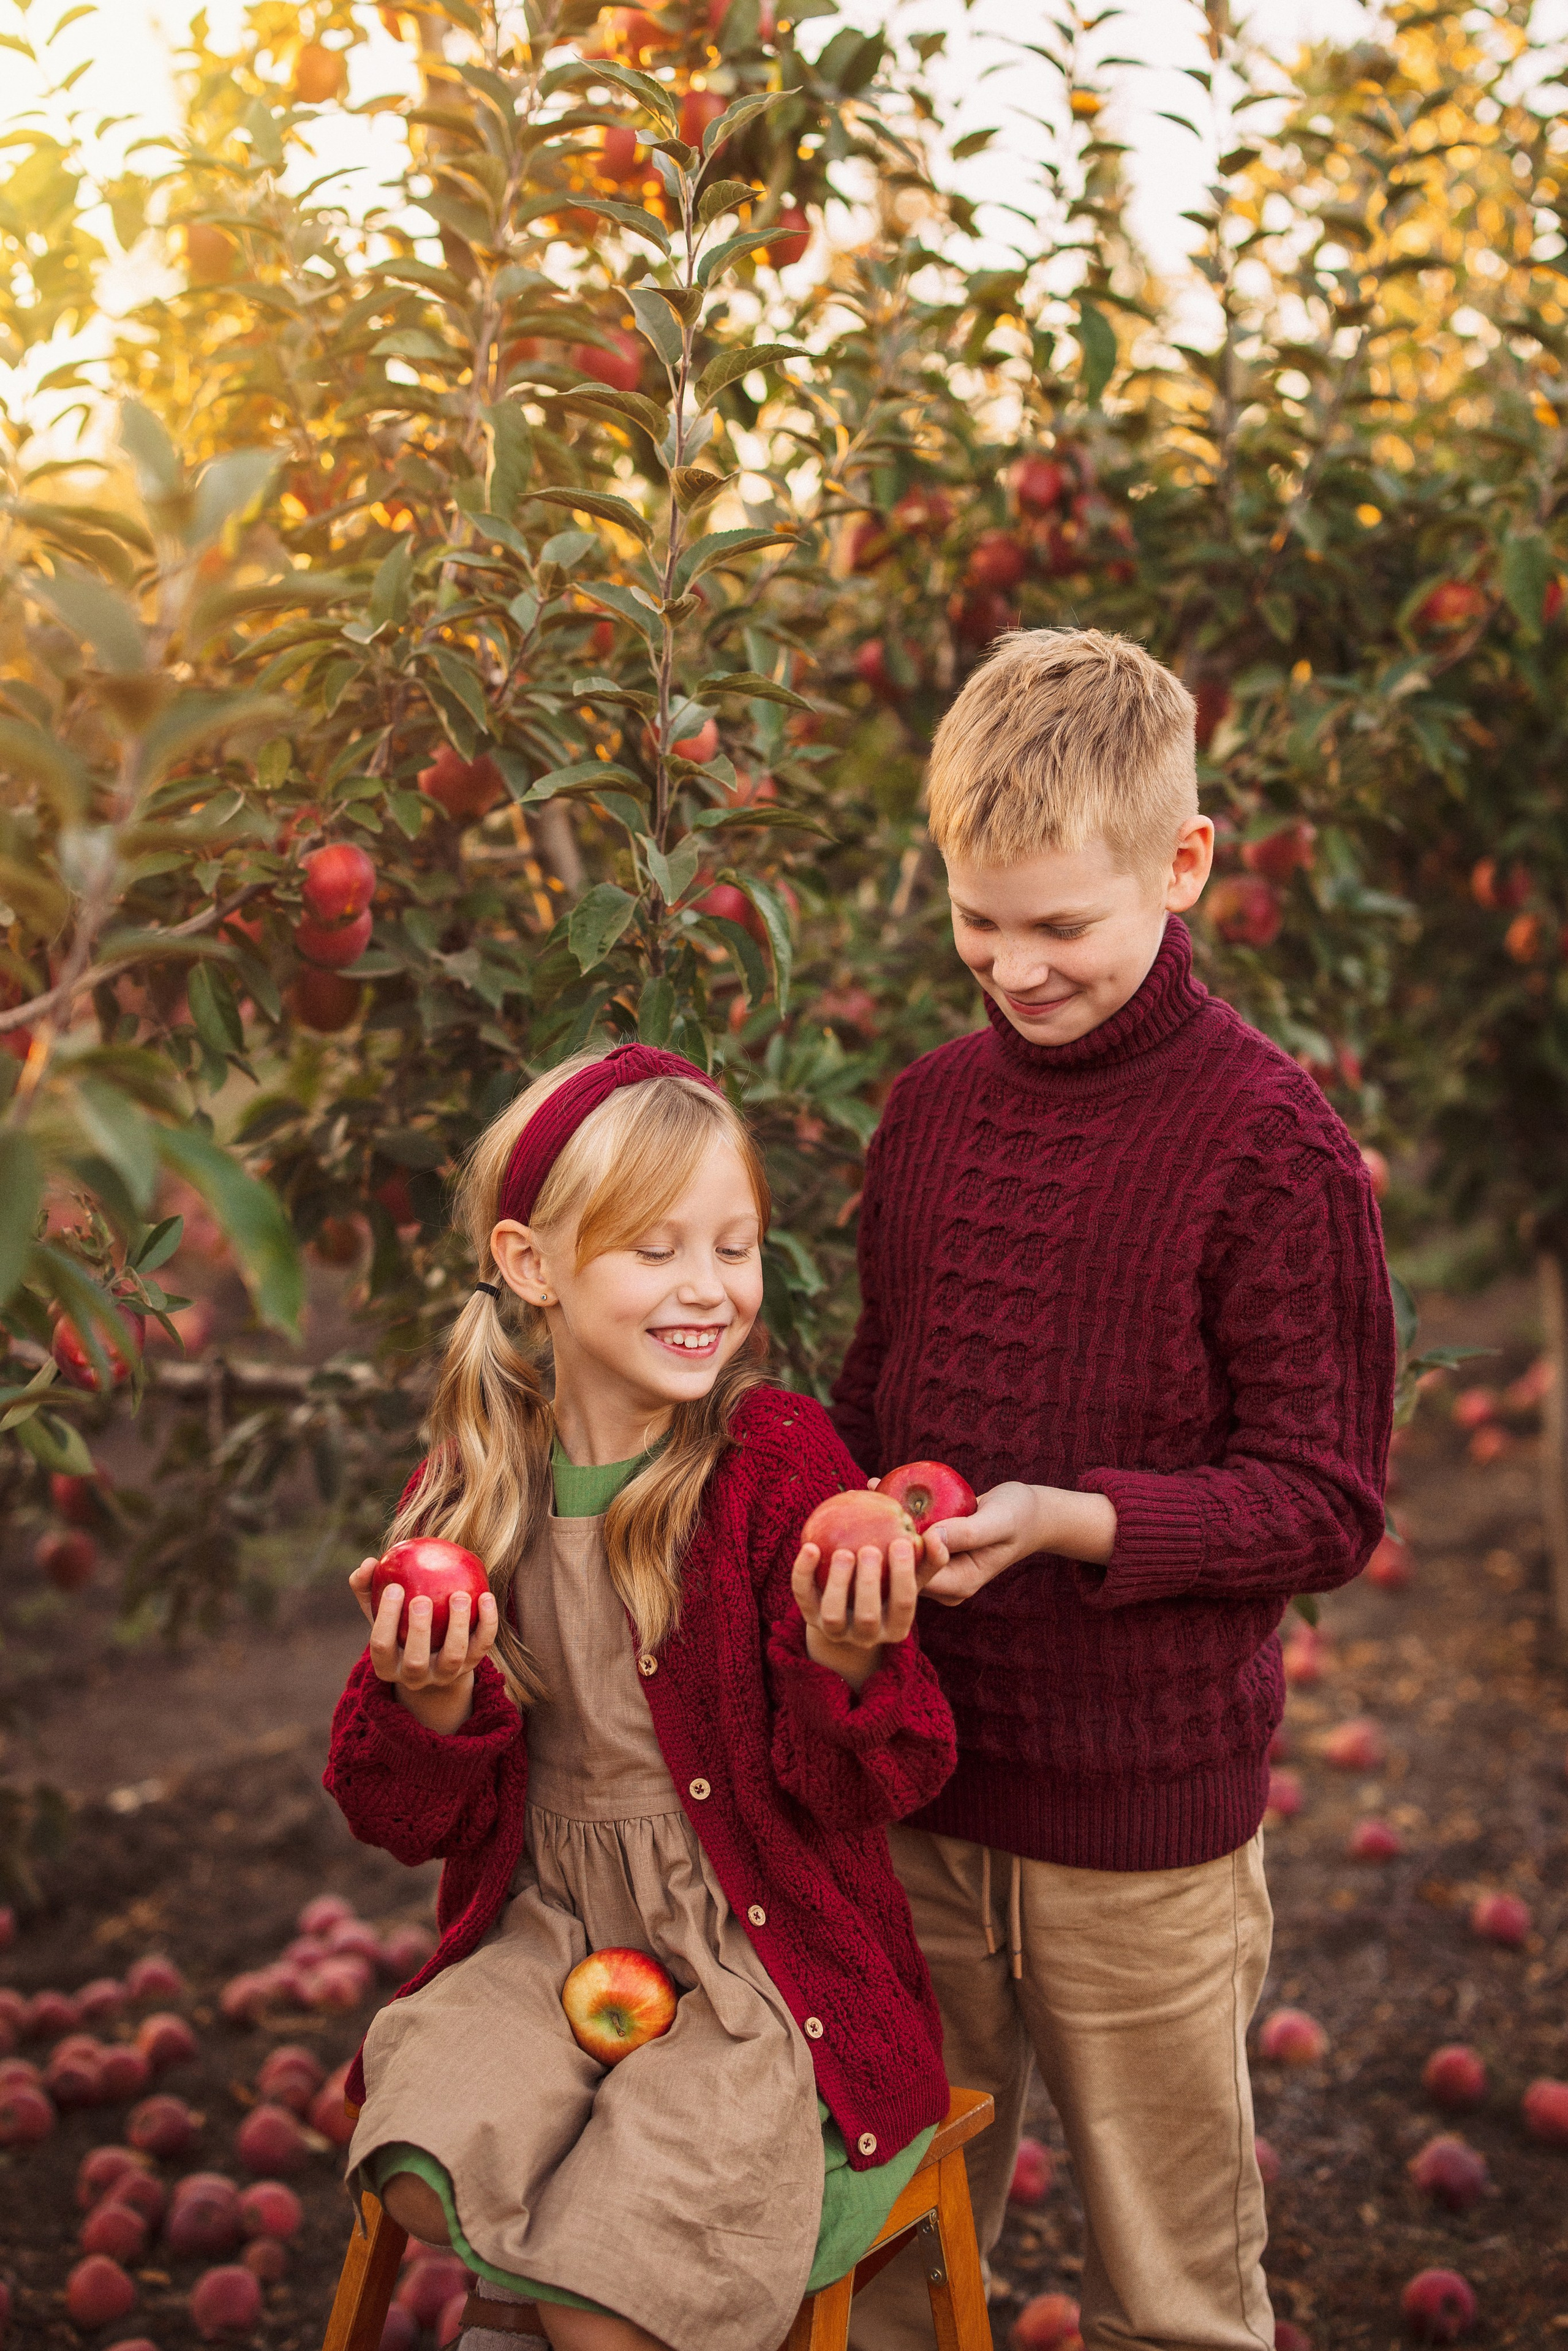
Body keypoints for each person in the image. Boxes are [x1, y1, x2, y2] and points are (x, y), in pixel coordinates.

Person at [833, 629, 1397, 2351]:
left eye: (1060, 924)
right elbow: (873, 1412)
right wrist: (848, 1538)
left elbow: (1324, 1500)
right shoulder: (926, 1118)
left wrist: (1082, 1521)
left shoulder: (1267, 1142)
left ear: (1184, 862)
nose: (1012, 964)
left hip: (1141, 1833)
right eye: (975, 920)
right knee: (889, 2248)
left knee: (1175, 2279)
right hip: (922, 1786)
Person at [323, 1043, 958, 2351]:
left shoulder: (771, 1461)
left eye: (734, 1247)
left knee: (613, 2283)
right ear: (530, 1263)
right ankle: (550, 2289)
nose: (707, 1289)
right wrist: (431, 1698)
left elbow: (875, 1784)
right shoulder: (469, 1486)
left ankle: (567, 2304)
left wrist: (845, 1664)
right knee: (415, 2155)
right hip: (549, 1931)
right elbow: (395, 1813)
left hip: (758, 1962)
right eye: (655, 1249)